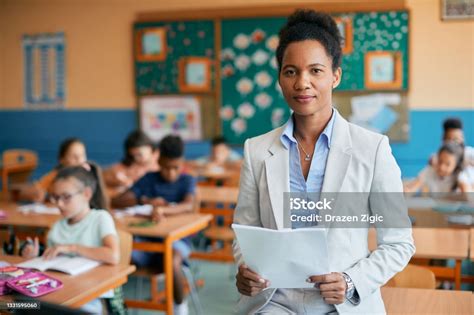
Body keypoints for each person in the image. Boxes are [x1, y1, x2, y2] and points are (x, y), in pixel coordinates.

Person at [233, 9, 415, 314]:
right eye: (290, 71)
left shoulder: (372, 149)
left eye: (315, 70)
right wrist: (246, 269)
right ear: (280, 78)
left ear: (335, 76)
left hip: (341, 304)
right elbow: (245, 232)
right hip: (275, 302)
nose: (302, 83)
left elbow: (399, 243)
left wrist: (351, 280)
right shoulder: (256, 150)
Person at [112, 134, 196, 315]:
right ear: (158, 161)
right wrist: (145, 200)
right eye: (165, 167)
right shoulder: (149, 179)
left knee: (172, 259)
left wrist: (164, 210)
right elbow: (118, 201)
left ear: (182, 162)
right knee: (116, 256)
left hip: (177, 241)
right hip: (147, 242)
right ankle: (113, 308)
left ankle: (179, 307)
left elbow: (188, 205)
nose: (170, 173)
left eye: (176, 167)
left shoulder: (186, 180)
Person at [21, 166, 121, 314]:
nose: (59, 204)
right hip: (59, 292)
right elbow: (52, 265)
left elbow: (113, 256)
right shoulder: (57, 226)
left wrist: (72, 248)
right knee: (20, 306)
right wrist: (35, 257)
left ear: (87, 194)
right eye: (55, 197)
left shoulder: (100, 218)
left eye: (66, 197)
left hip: (90, 296)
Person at [17, 138, 87, 203]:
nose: (79, 160)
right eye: (74, 156)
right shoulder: (55, 175)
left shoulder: (88, 175)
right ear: (62, 159)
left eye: (82, 155)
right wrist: (40, 195)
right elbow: (35, 191)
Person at [104, 130, 159, 196]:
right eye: (133, 155)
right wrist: (116, 180)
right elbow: (105, 176)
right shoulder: (128, 162)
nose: (136, 158)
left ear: (149, 147)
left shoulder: (162, 162)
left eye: (139, 154)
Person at [406, 141, 473, 193]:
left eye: (447, 164)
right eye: (440, 161)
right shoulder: (430, 170)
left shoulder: (461, 175)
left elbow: (469, 197)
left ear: (455, 166)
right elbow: (413, 186)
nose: (442, 167)